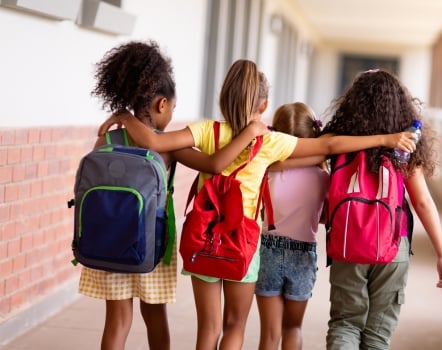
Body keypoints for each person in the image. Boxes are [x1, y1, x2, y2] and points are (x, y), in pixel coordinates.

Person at [98, 59, 418, 350]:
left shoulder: (206, 130)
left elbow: (153, 140)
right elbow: (329, 145)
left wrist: (125, 115)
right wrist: (384, 139)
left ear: (223, 98)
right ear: (264, 105)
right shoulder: (269, 141)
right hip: (242, 244)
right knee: (234, 326)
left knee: (207, 330)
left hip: (203, 240)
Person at [82, 41, 268, 350]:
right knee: (155, 317)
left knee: (117, 321)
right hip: (153, 242)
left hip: (109, 242)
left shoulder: (108, 136)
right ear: (162, 105)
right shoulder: (169, 147)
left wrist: (124, 119)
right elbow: (213, 164)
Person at [321, 69, 442, 350]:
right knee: (377, 336)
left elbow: (323, 150)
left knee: (345, 323)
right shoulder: (405, 147)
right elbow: (422, 202)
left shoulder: (340, 139)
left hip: (348, 242)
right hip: (392, 247)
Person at [255, 102, 329, 350]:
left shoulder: (266, 172)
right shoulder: (323, 178)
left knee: (268, 335)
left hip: (268, 250)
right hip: (303, 253)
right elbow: (325, 216)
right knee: (293, 328)